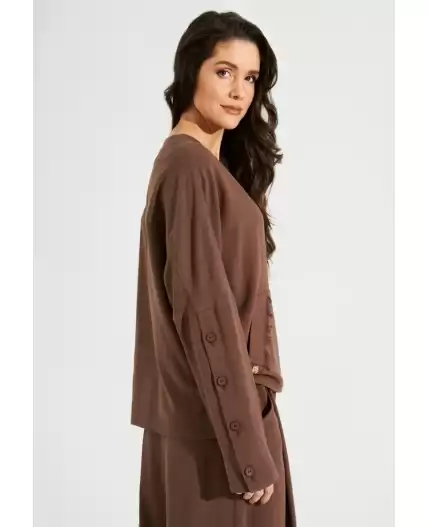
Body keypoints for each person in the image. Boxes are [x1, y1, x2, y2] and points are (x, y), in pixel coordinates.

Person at [130, 10, 297, 526]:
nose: (239, 91)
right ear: (190, 72)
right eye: (224, 72)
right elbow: (204, 313)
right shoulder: (189, 167)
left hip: (216, 422)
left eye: (250, 78)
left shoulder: (201, 167)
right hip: (220, 438)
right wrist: (247, 453)